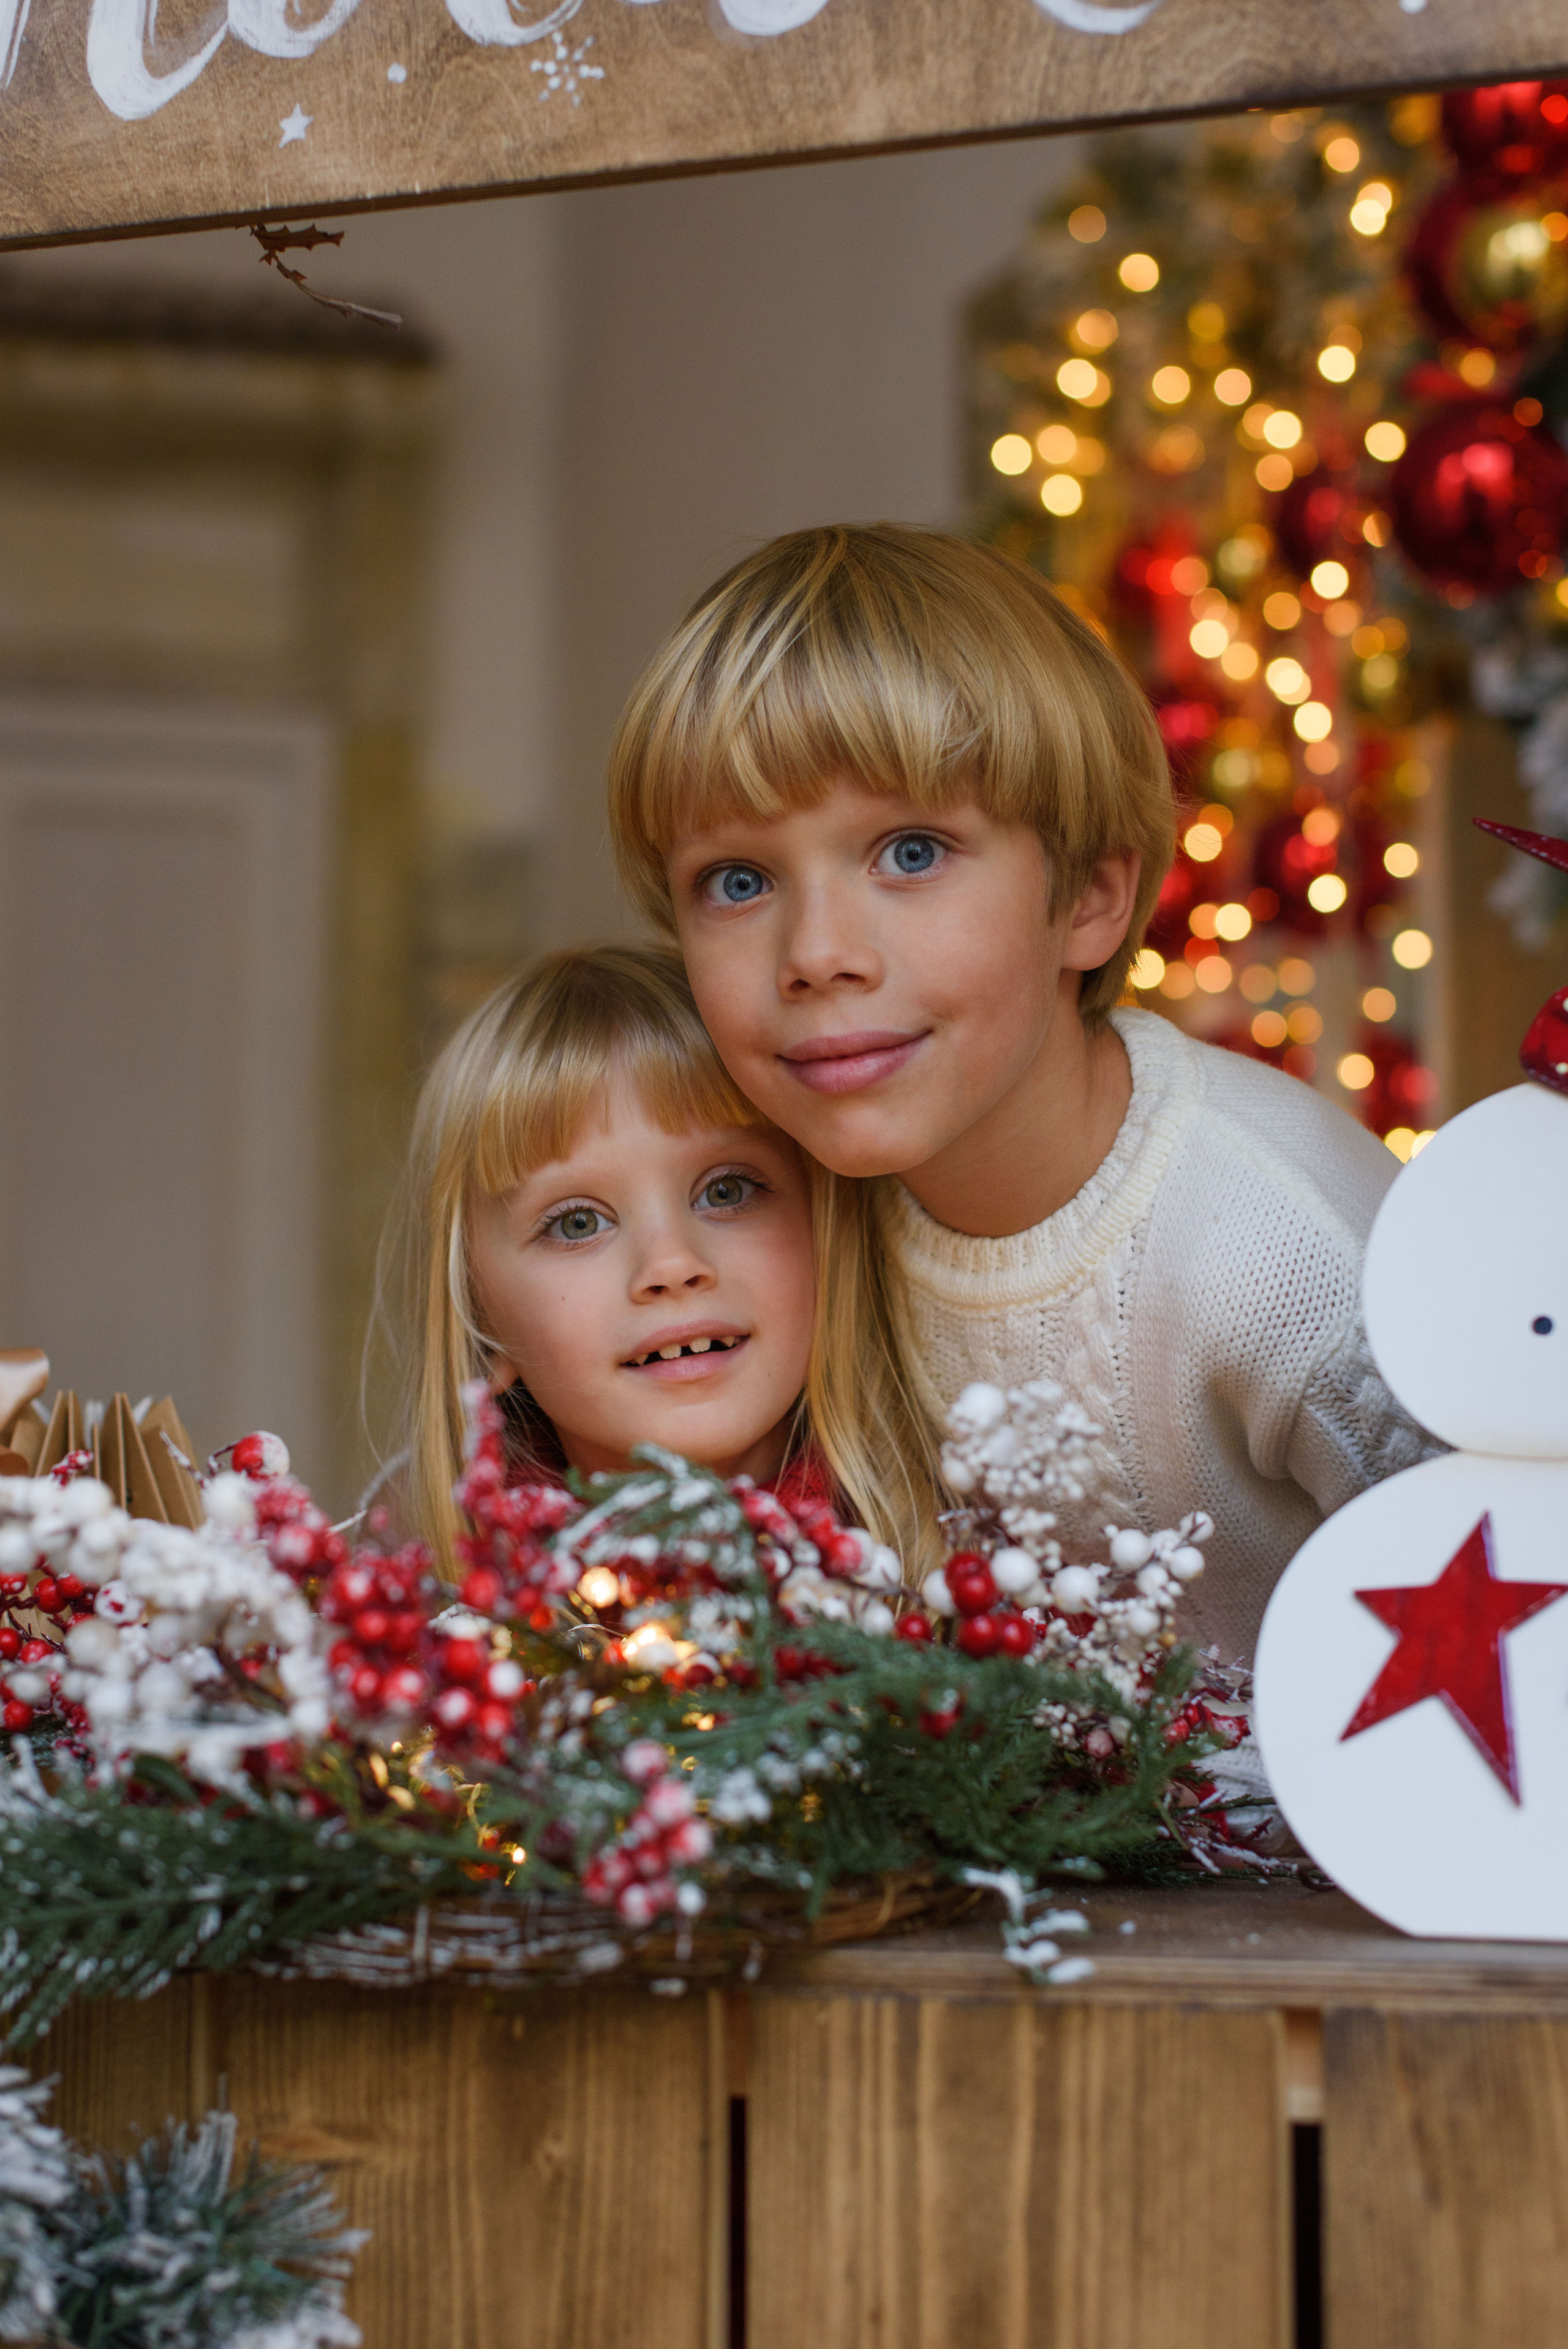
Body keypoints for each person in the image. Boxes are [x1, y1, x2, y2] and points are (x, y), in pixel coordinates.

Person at [606, 522, 1435, 1662]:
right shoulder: (789, 1215)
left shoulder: (1282, 1258)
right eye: (737, 880)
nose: (817, 953)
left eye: (910, 852)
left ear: (1090, 898)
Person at [374, 943, 930, 1574]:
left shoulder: (957, 1567)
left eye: (726, 1191)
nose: (671, 1265)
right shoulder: (415, 1614)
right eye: (578, 1223)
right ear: (481, 1321)